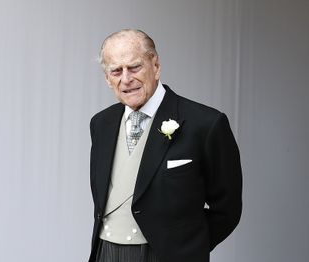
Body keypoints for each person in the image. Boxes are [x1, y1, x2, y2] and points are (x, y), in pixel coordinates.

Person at [88, 29, 242, 262]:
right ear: (108, 79)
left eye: (135, 67)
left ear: (156, 65)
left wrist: (186, 248)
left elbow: (227, 209)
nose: (126, 79)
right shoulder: (101, 124)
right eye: (116, 71)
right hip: (105, 253)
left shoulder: (206, 124)